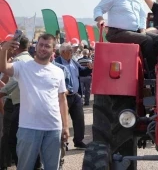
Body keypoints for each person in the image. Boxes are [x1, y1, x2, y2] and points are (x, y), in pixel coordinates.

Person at [0, 34, 69, 169]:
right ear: (36, 46)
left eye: (47, 46)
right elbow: (3, 68)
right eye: (40, 45)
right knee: (25, 167)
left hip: (53, 128)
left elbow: (62, 99)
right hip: (28, 128)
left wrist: (65, 126)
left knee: (52, 167)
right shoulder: (23, 66)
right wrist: (4, 50)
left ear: (53, 50)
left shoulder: (58, 71)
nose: (43, 48)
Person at [93, 0, 158, 73]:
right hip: (116, 32)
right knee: (147, 40)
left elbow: (142, 15)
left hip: (134, 32)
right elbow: (98, 8)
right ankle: (150, 73)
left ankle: (156, 67)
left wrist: (142, 29)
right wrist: (100, 19)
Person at [55, 43, 91, 149]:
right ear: (63, 52)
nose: (72, 52)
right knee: (62, 121)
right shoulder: (56, 63)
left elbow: (82, 72)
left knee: (79, 119)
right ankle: (63, 143)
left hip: (75, 95)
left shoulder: (73, 62)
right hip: (63, 97)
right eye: (70, 51)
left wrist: (89, 68)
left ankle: (78, 141)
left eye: (72, 50)